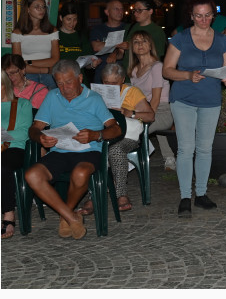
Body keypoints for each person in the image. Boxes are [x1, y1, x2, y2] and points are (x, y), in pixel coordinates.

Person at [24, 59, 122, 240]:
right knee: (32, 175)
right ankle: (71, 217)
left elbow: (115, 128)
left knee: (80, 173)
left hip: (89, 150)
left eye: (68, 82)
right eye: (59, 83)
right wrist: (41, 138)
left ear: (80, 78)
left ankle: (65, 215)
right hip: (60, 150)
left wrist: (95, 135)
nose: (64, 88)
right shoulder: (52, 97)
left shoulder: (93, 98)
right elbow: (34, 128)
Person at [163, 0, 226, 217]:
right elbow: (167, 70)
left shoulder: (222, 40)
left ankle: (201, 194)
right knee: (185, 149)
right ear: (191, 16)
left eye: (207, 15)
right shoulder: (180, 39)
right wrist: (186, 75)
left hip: (210, 100)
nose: (203, 20)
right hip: (183, 98)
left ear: (214, 15)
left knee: (204, 148)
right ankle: (185, 197)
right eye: (198, 16)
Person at [79, 63, 155, 214]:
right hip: (103, 135)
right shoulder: (97, 94)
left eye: (114, 83)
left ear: (122, 79)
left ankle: (121, 194)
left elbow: (150, 115)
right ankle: (93, 195)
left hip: (127, 137)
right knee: (90, 151)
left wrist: (130, 113)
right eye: (106, 82)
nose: (110, 86)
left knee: (115, 149)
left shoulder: (132, 92)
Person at [128, 31, 175, 170]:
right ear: (132, 47)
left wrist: (146, 118)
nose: (140, 44)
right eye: (136, 42)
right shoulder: (134, 70)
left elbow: (155, 98)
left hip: (161, 110)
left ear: (150, 46)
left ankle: (128, 165)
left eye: (144, 41)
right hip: (143, 110)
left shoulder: (157, 67)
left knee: (135, 131)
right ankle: (168, 156)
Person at [1, 69, 33, 239]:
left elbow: (24, 133)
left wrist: (2, 134)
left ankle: (8, 215)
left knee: (3, 167)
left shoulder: (22, 104)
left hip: (14, 147)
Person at [11, 0, 60, 90]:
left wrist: (28, 62)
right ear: (28, 9)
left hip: (49, 76)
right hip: (28, 75)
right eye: (37, 7)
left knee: (51, 102)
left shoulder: (52, 30)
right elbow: (19, 64)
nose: (41, 9)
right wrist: (45, 70)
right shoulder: (17, 32)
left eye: (43, 7)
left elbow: (55, 60)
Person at [123, 0, 167, 73]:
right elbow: (121, 52)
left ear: (150, 11)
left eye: (139, 10)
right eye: (134, 10)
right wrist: (114, 53)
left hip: (145, 75)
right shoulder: (129, 27)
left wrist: (132, 46)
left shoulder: (157, 31)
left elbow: (157, 57)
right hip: (127, 74)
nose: (136, 13)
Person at [57, 1, 101, 77]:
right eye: (69, 19)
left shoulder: (81, 36)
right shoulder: (55, 36)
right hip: (62, 79)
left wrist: (93, 64)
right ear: (61, 18)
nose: (72, 23)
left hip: (79, 79)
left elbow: (87, 64)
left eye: (75, 19)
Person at [90, 0, 128, 83]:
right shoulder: (98, 29)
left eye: (121, 9)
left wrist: (106, 46)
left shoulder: (127, 28)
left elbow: (124, 49)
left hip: (122, 77)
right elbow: (96, 47)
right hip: (101, 76)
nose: (120, 11)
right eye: (116, 9)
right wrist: (119, 44)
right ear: (107, 12)